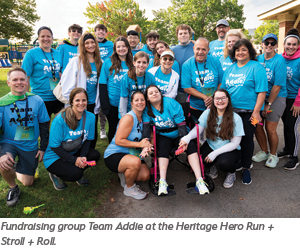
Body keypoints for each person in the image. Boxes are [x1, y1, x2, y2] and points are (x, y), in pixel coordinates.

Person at [142, 85, 209, 195]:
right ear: (148, 98)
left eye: (156, 91)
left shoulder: (170, 103)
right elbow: (146, 128)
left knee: (191, 146)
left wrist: (183, 140)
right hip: (163, 134)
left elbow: (181, 125)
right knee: (162, 148)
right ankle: (162, 181)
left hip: (178, 132)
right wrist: (146, 143)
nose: (154, 94)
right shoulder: (147, 109)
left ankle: (199, 180)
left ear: (160, 93)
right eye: (151, 93)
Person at [0, 67, 50, 206]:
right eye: (15, 80)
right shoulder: (2, 103)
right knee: (5, 163)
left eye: (22, 79)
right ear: (9, 83)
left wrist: (43, 148)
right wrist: (2, 154)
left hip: (29, 143)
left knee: (28, 183)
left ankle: (17, 167)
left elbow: (44, 125)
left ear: (27, 81)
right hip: (8, 142)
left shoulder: (37, 100)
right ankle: (13, 187)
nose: (19, 82)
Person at [221, 38, 268, 184]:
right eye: (237, 50)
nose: (240, 52)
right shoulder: (230, 68)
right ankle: (235, 165)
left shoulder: (256, 67)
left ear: (250, 52)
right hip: (231, 111)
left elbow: (262, 92)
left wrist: (256, 112)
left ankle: (246, 168)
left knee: (247, 139)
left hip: (250, 111)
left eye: (243, 49)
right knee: (231, 138)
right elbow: (223, 89)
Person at [179, 89, 244, 188]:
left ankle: (231, 172)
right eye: (217, 98)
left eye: (223, 98)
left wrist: (215, 153)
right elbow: (198, 130)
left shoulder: (236, 118)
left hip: (230, 148)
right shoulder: (208, 113)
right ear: (213, 101)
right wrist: (187, 138)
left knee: (224, 163)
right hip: (211, 144)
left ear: (228, 100)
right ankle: (213, 164)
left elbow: (235, 143)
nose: (220, 101)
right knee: (201, 160)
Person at [44, 88, 100, 190]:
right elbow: (54, 146)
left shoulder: (91, 117)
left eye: (84, 100)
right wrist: (74, 160)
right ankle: (55, 174)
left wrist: (82, 156)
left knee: (95, 155)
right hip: (54, 156)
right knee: (76, 174)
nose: (81, 103)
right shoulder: (60, 119)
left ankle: (74, 167)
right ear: (71, 102)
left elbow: (88, 140)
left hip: (73, 151)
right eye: (77, 100)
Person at [104, 91, 150, 200]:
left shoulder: (144, 119)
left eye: (142, 100)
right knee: (135, 162)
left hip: (132, 153)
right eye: (136, 100)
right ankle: (129, 188)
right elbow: (119, 141)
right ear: (132, 103)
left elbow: (147, 139)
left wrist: (147, 146)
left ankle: (124, 172)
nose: (140, 102)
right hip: (115, 154)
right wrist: (140, 144)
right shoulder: (129, 118)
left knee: (145, 176)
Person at [61, 32, 102, 149]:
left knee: (91, 128)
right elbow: (66, 82)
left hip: (93, 102)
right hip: (79, 103)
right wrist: (73, 101)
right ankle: (75, 150)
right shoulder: (76, 61)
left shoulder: (100, 62)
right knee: (76, 129)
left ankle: (89, 151)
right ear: (82, 46)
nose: (90, 45)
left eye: (92, 42)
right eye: (87, 43)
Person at [252, 34, 287, 168]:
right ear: (262, 44)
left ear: (276, 46)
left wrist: (268, 104)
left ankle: (273, 155)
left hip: (276, 97)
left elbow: (277, 86)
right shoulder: (257, 59)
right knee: (257, 125)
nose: (269, 45)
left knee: (270, 128)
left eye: (273, 43)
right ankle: (264, 151)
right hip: (260, 95)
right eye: (267, 43)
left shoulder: (279, 60)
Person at [22, 26, 63, 118]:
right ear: (38, 38)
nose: (46, 39)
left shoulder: (57, 53)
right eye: (42, 36)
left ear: (52, 38)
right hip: (40, 98)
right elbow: (25, 77)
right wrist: (24, 98)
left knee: (60, 126)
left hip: (58, 97)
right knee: (43, 129)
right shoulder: (31, 54)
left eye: (48, 36)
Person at [99, 36, 134, 142]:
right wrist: (105, 106)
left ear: (128, 47)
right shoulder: (108, 62)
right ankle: (113, 153)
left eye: (124, 46)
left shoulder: (133, 63)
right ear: (115, 48)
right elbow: (102, 84)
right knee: (113, 129)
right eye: (118, 46)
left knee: (129, 129)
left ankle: (128, 151)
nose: (121, 48)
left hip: (130, 104)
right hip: (113, 104)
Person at [181, 37, 223, 120]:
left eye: (204, 49)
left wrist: (214, 97)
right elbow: (186, 88)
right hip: (196, 107)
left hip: (216, 105)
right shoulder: (187, 65)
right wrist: (205, 97)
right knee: (197, 131)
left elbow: (221, 82)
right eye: (198, 49)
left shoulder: (215, 62)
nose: (200, 52)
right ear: (193, 49)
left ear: (208, 50)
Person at [278, 28, 300, 170]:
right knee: (286, 125)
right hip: (283, 98)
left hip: (296, 100)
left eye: (294, 44)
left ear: (298, 46)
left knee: (292, 127)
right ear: (284, 44)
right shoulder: (281, 58)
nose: (291, 47)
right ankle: (287, 148)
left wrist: (298, 103)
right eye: (288, 44)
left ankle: (294, 156)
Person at [119, 51, 156, 117]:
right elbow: (124, 98)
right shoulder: (126, 77)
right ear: (134, 63)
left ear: (148, 64)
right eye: (139, 62)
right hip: (130, 110)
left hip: (145, 111)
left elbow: (153, 99)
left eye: (144, 62)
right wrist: (124, 116)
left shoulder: (151, 78)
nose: (141, 65)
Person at [94, 23, 113, 139]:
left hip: (106, 76)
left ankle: (102, 128)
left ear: (106, 33)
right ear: (95, 32)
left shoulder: (110, 44)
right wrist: (63, 42)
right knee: (94, 103)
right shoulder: (92, 43)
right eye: (98, 31)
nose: (101, 32)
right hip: (93, 76)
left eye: (103, 31)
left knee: (103, 103)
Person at [171, 24, 194, 103]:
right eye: (180, 33)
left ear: (189, 34)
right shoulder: (173, 51)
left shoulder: (196, 47)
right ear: (177, 36)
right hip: (179, 89)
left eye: (185, 33)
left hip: (195, 87)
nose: (183, 35)